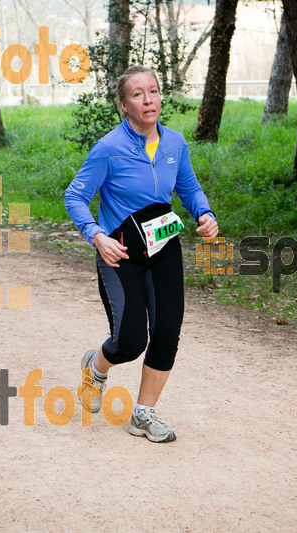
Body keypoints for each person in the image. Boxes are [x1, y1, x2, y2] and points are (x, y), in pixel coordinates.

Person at [64, 65, 218, 442]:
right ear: (124, 104)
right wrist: (97, 235)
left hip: (163, 245)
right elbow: (75, 196)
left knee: (168, 331)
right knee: (131, 341)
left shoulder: (175, 143)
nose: (148, 100)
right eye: (138, 94)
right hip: (120, 252)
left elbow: (189, 188)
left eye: (153, 91)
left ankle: (143, 413)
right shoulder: (108, 149)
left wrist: (205, 213)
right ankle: (96, 369)